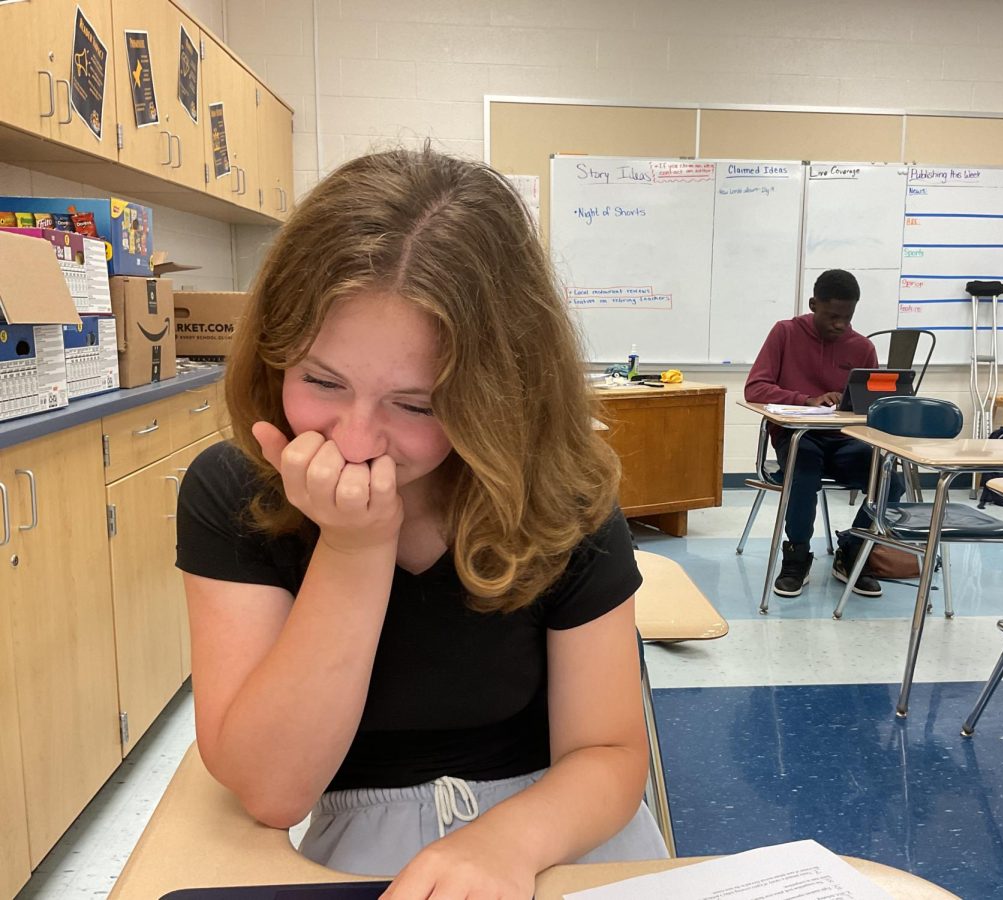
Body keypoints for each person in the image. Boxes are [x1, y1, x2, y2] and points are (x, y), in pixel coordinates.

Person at [175, 146, 667, 897]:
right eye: (321, 381)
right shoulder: (232, 492)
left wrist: (502, 845)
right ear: (275, 360)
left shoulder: (559, 494)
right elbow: (272, 791)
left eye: (418, 405)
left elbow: (608, 753)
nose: (357, 440)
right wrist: (353, 546)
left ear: (498, 396)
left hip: (553, 829)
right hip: (354, 835)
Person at [744, 269, 903, 598]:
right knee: (804, 470)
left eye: (848, 317)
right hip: (799, 437)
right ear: (813, 304)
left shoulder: (861, 348)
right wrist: (805, 400)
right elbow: (755, 387)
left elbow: (871, 406)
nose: (840, 325)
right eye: (832, 316)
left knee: (892, 481)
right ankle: (797, 556)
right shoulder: (785, 333)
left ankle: (853, 551)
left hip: (845, 440)